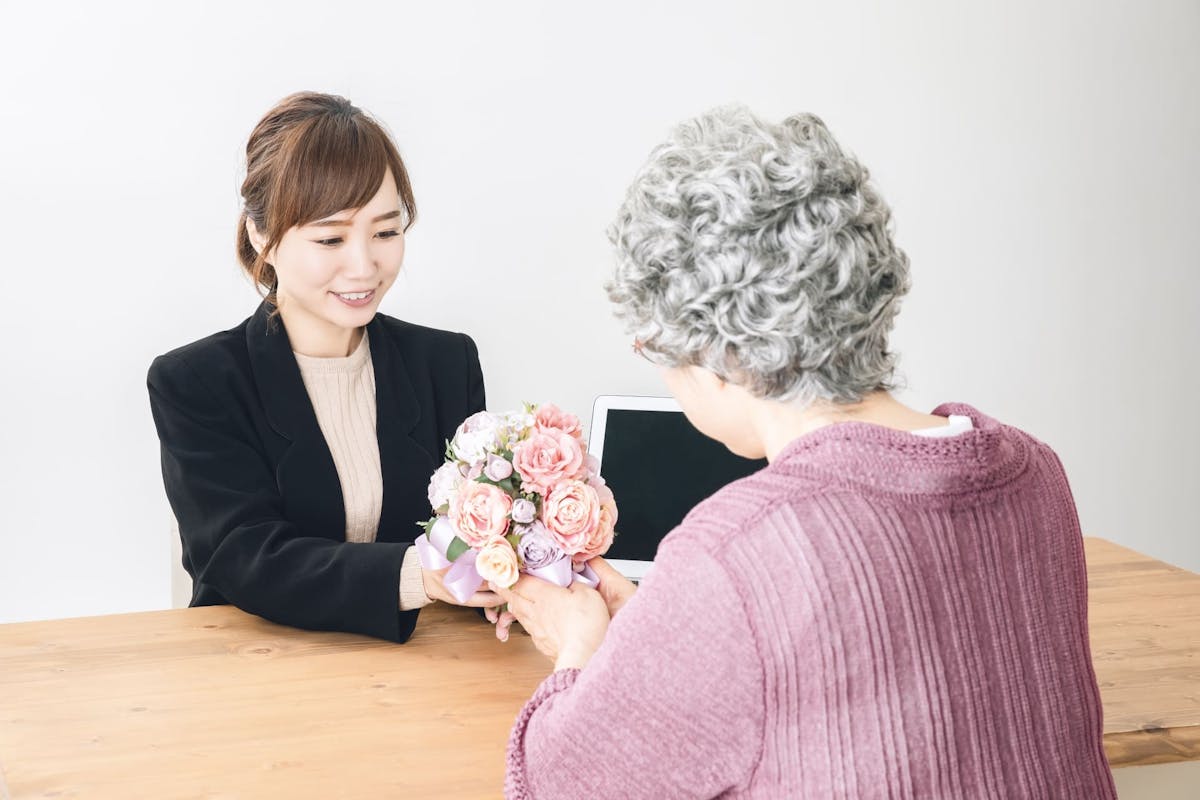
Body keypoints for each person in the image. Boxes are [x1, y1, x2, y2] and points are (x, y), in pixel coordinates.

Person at [494, 107, 1117, 798]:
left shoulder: (736, 554)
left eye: (656, 346)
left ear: (718, 354)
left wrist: (580, 645)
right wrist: (659, 633)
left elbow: (559, 785)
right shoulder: (1033, 471)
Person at [148, 92, 502, 643]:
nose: (364, 266)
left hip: (422, 672)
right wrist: (422, 577)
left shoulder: (445, 363)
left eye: (386, 232)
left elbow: (477, 526)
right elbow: (244, 557)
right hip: (257, 674)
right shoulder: (197, 382)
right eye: (331, 238)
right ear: (261, 235)